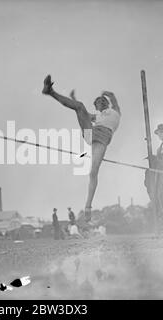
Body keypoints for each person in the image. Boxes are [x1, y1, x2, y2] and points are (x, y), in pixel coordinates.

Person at [42, 75, 121, 222]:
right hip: (91, 133)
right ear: (95, 106)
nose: (101, 102)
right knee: (79, 106)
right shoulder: (95, 117)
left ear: (108, 103)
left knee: (93, 172)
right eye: (97, 102)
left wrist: (108, 93)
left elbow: (114, 98)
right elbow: (80, 112)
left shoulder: (115, 112)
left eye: (103, 100)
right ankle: (50, 92)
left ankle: (88, 207)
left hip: (102, 139)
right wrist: (74, 99)